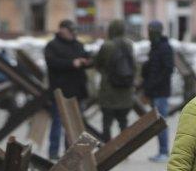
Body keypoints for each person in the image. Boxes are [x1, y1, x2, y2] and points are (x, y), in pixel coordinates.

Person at [43, 19, 90, 158]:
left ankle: (70, 152)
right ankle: (53, 152)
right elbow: (52, 62)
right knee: (58, 123)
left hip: (78, 90)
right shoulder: (52, 46)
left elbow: (86, 58)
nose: (73, 34)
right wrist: (71, 63)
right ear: (62, 30)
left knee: (76, 124)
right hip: (60, 91)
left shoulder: (78, 44)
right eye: (70, 31)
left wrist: (85, 61)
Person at [93, 19, 137, 141]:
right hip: (125, 91)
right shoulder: (129, 45)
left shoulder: (106, 46)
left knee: (107, 123)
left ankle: (107, 149)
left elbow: (97, 64)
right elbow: (133, 66)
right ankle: (124, 149)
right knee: (123, 122)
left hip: (108, 91)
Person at [141, 20, 174, 161]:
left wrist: (152, 84)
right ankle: (161, 151)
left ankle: (164, 152)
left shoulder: (165, 48)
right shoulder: (155, 47)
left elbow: (167, 69)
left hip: (160, 92)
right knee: (157, 123)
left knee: (161, 122)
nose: (149, 34)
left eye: (151, 31)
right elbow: (152, 69)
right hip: (154, 91)